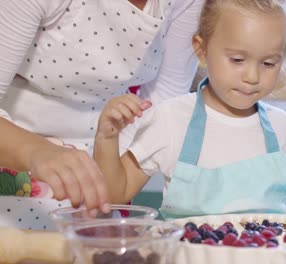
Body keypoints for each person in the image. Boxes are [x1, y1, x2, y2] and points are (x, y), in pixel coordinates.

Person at [94, 0, 286, 219]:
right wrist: (107, 138)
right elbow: (115, 194)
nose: (252, 77)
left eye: (268, 63)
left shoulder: (283, 127)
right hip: (189, 253)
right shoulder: (170, 119)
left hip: (266, 254)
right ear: (202, 50)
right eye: (237, 60)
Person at [0, 0, 204, 229]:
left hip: (106, 158)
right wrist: (37, 151)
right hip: (12, 148)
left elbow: (163, 98)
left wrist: (111, 169)